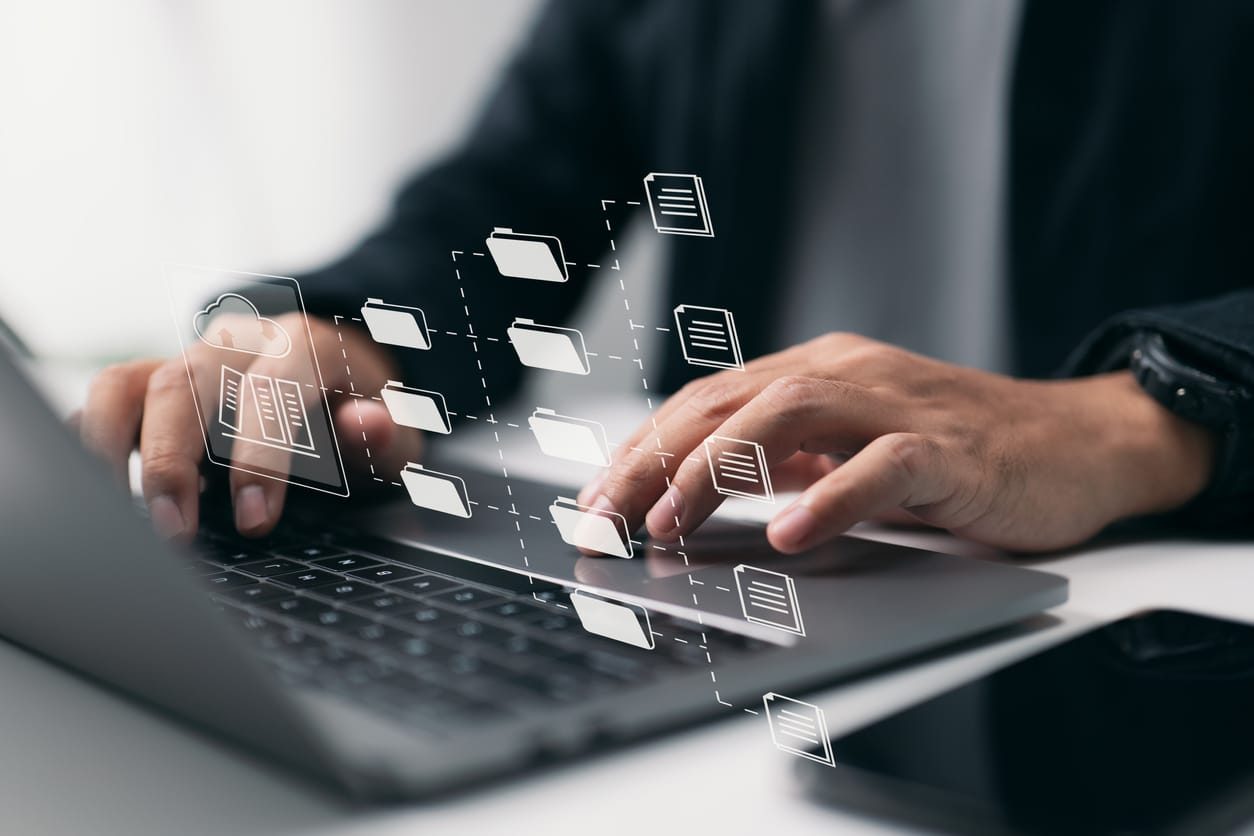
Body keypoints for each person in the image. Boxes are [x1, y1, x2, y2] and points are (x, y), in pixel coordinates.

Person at [77, 0, 1254, 555]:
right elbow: (496, 209)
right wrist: (341, 339)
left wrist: (1131, 414)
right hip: (736, 578)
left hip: (1143, 612)